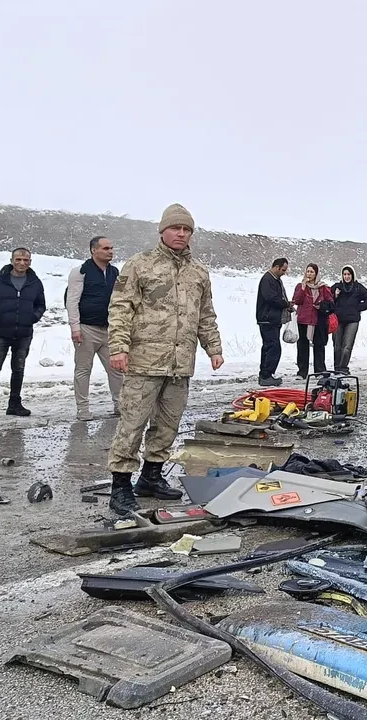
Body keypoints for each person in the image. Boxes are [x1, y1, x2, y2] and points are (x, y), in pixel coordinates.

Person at [106, 204, 223, 516]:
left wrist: (213, 348)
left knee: (168, 424)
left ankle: (151, 477)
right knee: (132, 423)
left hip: (180, 363)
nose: (181, 234)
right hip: (144, 360)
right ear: (162, 231)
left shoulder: (199, 272)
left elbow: (205, 314)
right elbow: (121, 308)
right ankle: (120, 486)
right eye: (175, 228)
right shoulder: (140, 264)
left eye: (186, 229)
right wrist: (118, 347)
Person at [0, 248, 46, 419]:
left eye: (25, 260)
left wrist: (33, 317)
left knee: (18, 369)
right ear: (11, 261)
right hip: (0, 332)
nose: (22, 263)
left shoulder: (35, 282)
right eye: (18, 259)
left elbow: (41, 305)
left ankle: (15, 404)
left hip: (24, 333)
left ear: (30, 262)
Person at [67, 236, 124, 420]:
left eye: (111, 248)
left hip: (109, 329)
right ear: (94, 250)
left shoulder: (115, 272)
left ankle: (120, 405)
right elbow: (72, 301)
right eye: (106, 248)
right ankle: (82, 409)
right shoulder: (80, 272)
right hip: (86, 328)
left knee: (116, 369)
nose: (110, 252)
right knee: (83, 370)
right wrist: (75, 327)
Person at [291, 264, 334, 379]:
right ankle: (302, 372)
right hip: (303, 320)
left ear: (316, 274)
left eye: (312, 272)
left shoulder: (323, 288)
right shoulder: (300, 286)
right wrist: (303, 288)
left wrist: (321, 306)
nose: (309, 274)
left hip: (318, 320)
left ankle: (319, 371)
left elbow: (331, 304)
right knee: (302, 347)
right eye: (308, 271)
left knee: (319, 346)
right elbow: (296, 300)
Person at [331, 265, 367, 374]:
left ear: (352, 275)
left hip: (352, 320)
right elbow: (328, 300)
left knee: (347, 346)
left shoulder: (358, 287)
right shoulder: (337, 287)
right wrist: (335, 295)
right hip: (338, 320)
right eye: (344, 274)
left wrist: (358, 308)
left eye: (348, 274)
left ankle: (343, 368)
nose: (346, 276)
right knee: (337, 346)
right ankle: (337, 368)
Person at [256, 257, 291, 386]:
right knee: (273, 347)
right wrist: (285, 304)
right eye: (283, 270)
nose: (284, 273)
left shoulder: (275, 280)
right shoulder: (267, 280)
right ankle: (266, 375)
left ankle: (265, 374)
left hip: (272, 319)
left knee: (269, 346)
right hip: (268, 319)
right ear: (276, 267)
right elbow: (271, 298)